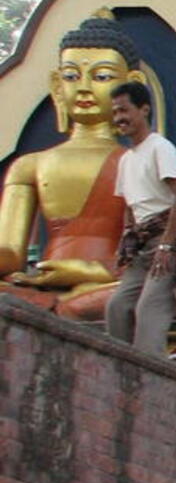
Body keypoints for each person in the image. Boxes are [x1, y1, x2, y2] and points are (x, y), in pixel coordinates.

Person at [0, 18, 145, 319]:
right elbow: (10, 253)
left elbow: (156, 256)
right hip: (40, 287)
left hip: (107, 285)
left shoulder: (141, 164)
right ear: (57, 85)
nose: (83, 88)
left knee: (140, 292)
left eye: (102, 76)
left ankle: (65, 310)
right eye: (71, 76)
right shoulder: (29, 165)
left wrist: (87, 271)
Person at [105, 80, 176, 354]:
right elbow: (130, 208)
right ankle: (120, 368)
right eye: (115, 112)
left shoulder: (160, 147)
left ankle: (150, 372)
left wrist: (166, 246)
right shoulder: (126, 159)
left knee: (148, 311)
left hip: (168, 242)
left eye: (124, 110)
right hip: (142, 247)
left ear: (144, 110)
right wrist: (126, 248)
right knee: (117, 306)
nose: (119, 118)